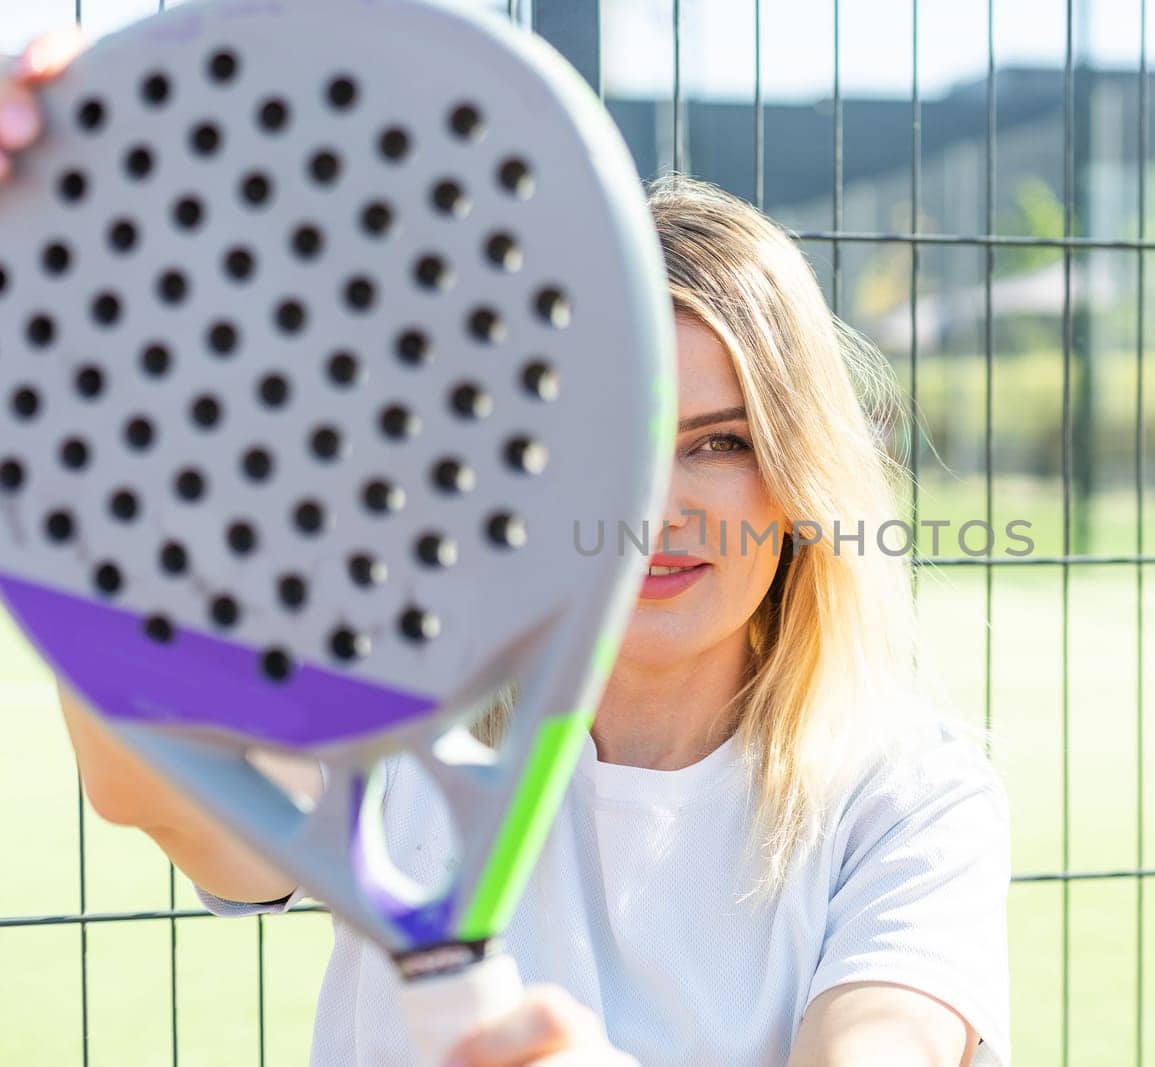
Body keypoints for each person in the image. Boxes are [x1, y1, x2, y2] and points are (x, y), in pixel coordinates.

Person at [6, 25, 1012, 1067]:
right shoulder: (394, 716)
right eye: (597, 437)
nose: (654, 506)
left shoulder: (910, 798)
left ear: (803, 472)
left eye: (720, 442)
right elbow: (148, 785)